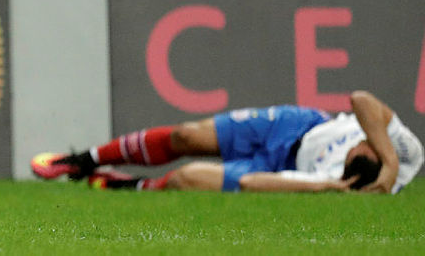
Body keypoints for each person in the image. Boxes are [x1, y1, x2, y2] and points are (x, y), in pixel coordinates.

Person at [32, 90, 423, 194]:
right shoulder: (405, 154)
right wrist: (389, 162)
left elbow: (254, 184)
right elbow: (361, 100)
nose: (363, 143)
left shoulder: (339, 183)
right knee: (186, 135)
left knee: (188, 179)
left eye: (358, 152)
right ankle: (81, 159)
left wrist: (325, 184)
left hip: (281, 168)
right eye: (366, 145)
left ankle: (128, 184)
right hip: (297, 126)